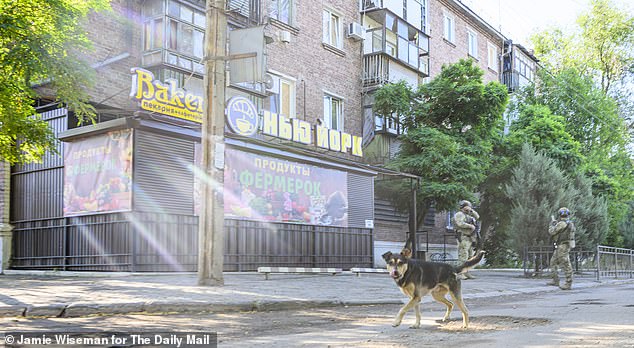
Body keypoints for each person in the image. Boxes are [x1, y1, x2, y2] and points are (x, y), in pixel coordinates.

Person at [547, 207, 576, 290]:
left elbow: (552, 232)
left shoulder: (562, 223)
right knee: (553, 262)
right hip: (563, 246)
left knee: (566, 264)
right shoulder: (569, 223)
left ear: (560, 215)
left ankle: (568, 283)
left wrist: (552, 224)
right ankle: (555, 280)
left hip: (562, 246)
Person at [453, 200, 480, 279]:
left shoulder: (469, 215)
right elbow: (460, 223)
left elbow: (477, 217)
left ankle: (467, 272)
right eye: (467, 206)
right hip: (463, 237)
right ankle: (460, 273)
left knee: (470, 256)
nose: (468, 208)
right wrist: (470, 226)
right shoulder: (459, 214)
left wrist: (471, 210)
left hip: (470, 238)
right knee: (463, 255)